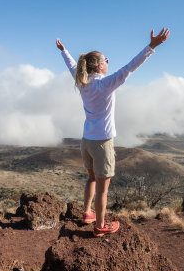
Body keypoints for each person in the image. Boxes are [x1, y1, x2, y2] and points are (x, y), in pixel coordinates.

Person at [56, 29, 170, 236]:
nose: (108, 62)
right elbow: (130, 68)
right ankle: (100, 226)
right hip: (102, 143)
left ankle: (87, 212)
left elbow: (72, 66)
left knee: (91, 179)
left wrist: (64, 51)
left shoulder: (82, 81)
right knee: (103, 189)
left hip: (87, 141)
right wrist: (151, 47)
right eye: (106, 60)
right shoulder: (105, 84)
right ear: (100, 65)